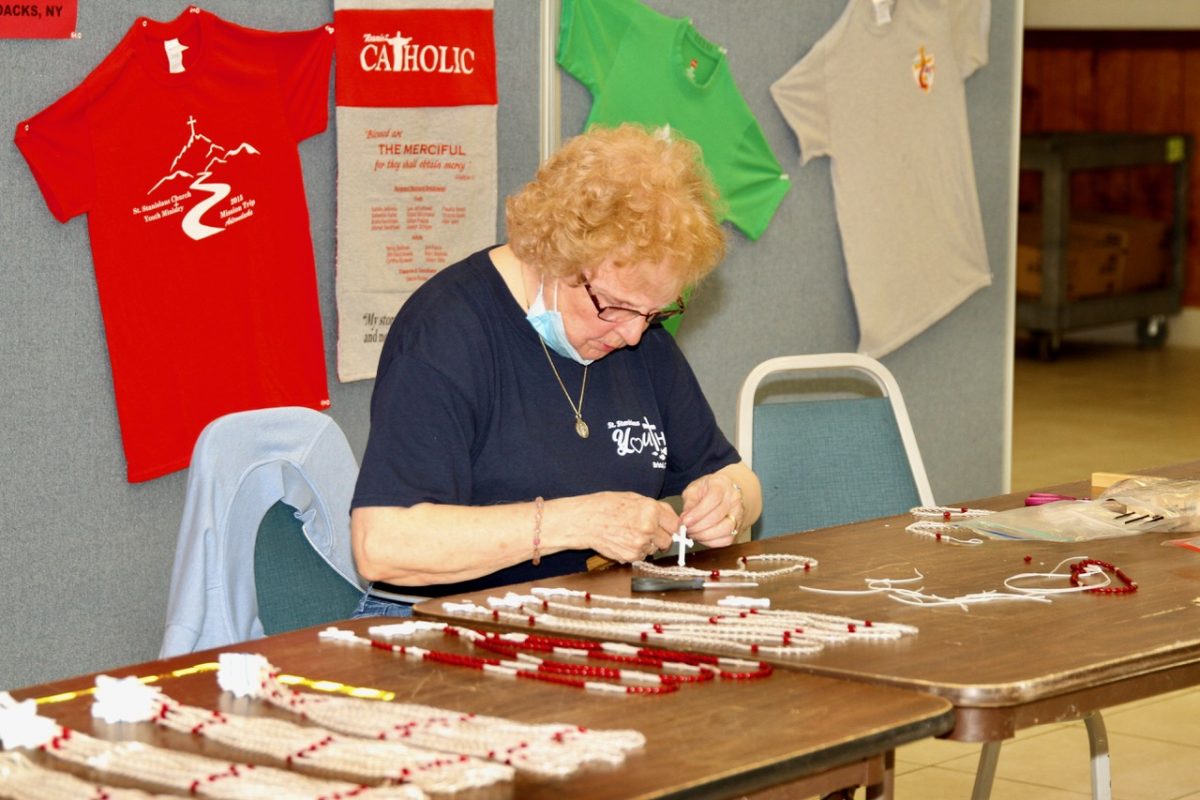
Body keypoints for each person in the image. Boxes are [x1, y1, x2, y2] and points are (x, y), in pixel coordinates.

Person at [350, 123, 762, 617]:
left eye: (655, 313)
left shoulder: (638, 332)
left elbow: (735, 475)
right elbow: (383, 544)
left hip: (587, 614)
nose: (634, 334)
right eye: (615, 306)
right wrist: (576, 522)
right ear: (553, 257)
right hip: (445, 620)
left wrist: (729, 499)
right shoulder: (447, 331)